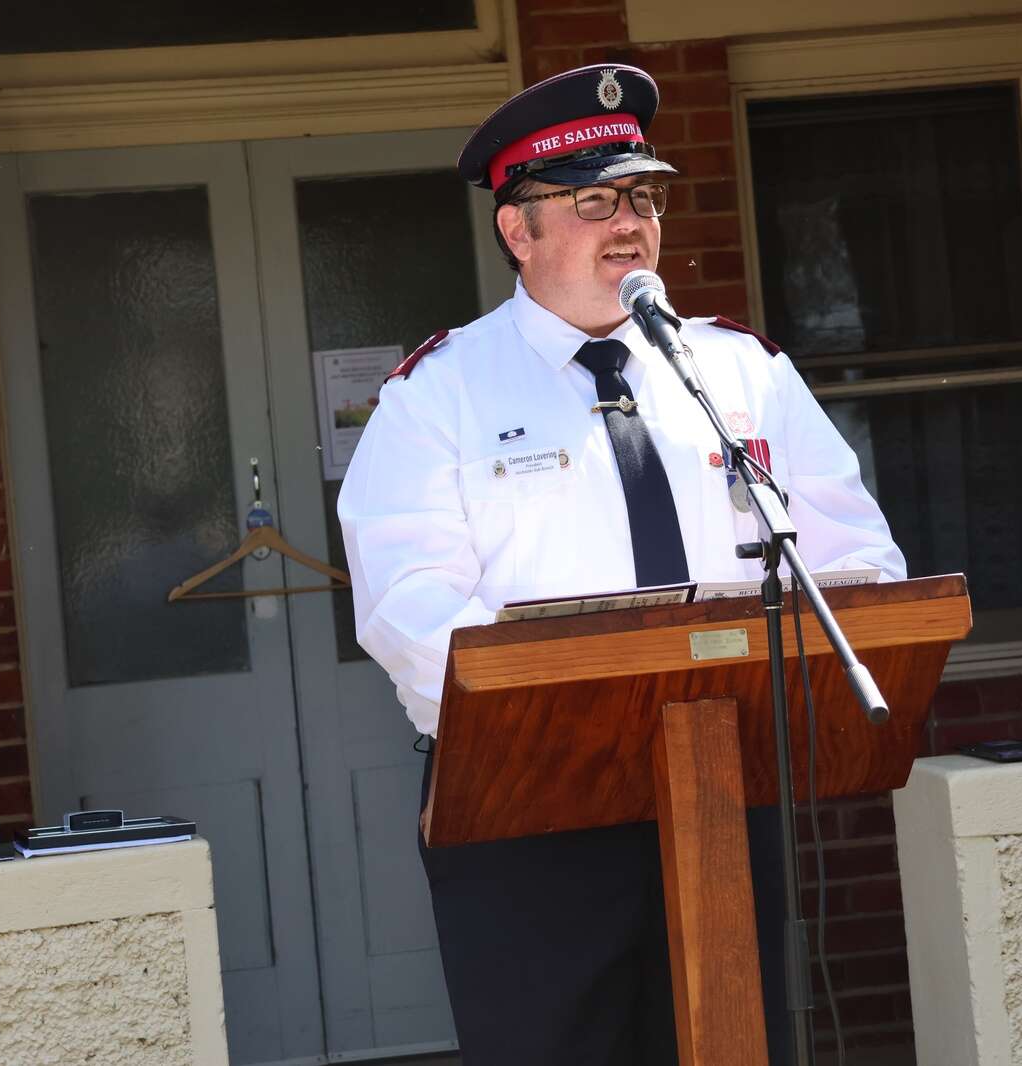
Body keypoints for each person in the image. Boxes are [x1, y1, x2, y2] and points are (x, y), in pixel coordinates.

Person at [337, 65, 906, 1065]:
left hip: (723, 782)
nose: (630, 222)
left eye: (642, 196)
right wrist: (558, 726)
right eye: (594, 200)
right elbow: (409, 606)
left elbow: (857, 556)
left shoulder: (738, 370)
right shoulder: (441, 393)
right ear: (518, 230)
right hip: (532, 805)